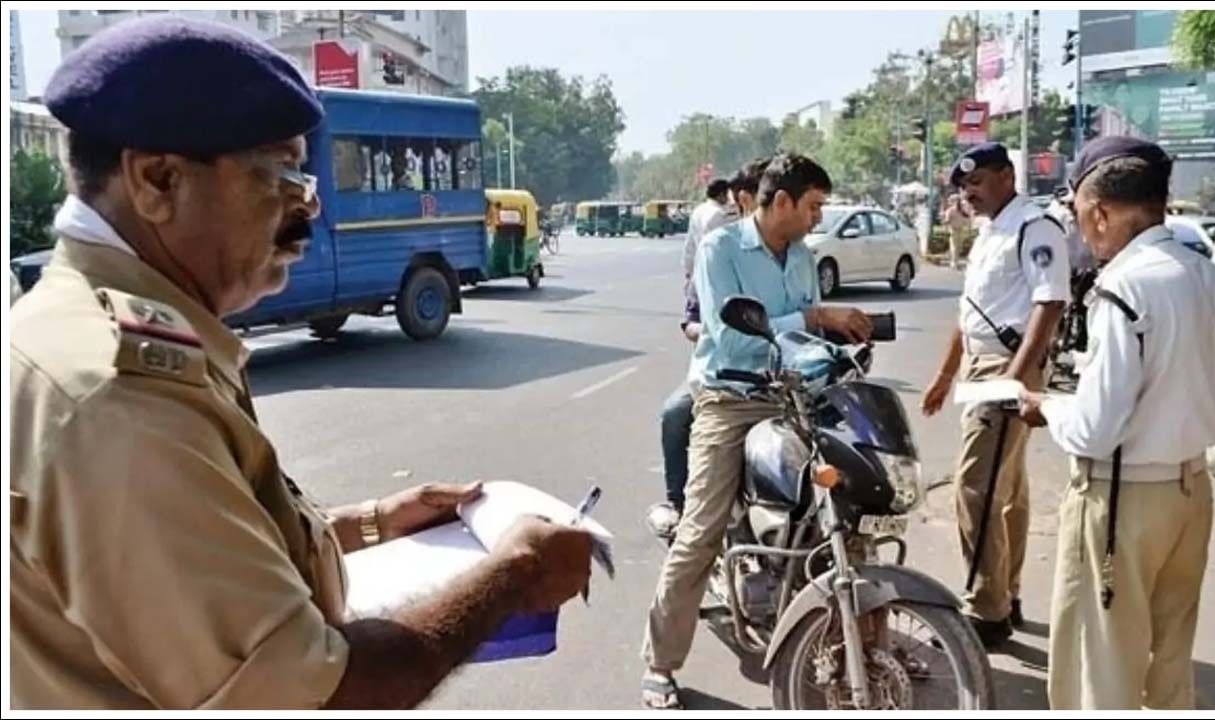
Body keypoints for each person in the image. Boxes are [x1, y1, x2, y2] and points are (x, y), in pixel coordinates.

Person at [8, 17, 593, 710]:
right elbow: (315, 694)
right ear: (158, 180)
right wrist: (516, 576)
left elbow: (226, 548)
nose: (304, 212)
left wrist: (375, 521)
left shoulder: (103, 331)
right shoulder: (115, 398)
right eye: (280, 175)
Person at [1018, 137, 1215, 710]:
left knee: (1101, 667)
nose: (1080, 231)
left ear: (1101, 213)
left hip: (1121, 500)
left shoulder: (1124, 286)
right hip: (1188, 496)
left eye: (1079, 216)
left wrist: (1047, 406)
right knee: (1170, 662)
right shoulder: (1212, 280)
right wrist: (1195, 412)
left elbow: (1096, 430)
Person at [640, 154, 873, 709]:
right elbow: (731, 337)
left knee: (846, 507)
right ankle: (660, 664)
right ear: (782, 201)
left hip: (793, 397)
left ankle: (849, 640)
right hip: (729, 399)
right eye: (814, 206)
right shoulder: (722, 249)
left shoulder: (803, 257)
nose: (819, 217)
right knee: (698, 535)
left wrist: (844, 349)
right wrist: (817, 320)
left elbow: (805, 339)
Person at [920, 142, 1070, 649]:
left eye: (978, 182)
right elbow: (971, 313)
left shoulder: (1035, 226)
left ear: (1007, 176)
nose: (970, 194)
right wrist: (945, 374)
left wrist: (1014, 378)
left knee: (975, 488)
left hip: (1009, 366)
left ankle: (985, 611)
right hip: (983, 364)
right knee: (1007, 490)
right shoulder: (991, 231)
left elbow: (1049, 304)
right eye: (965, 187)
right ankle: (1007, 592)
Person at [647, 158, 771, 542]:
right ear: (749, 200)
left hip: (786, 380)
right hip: (726, 378)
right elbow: (691, 321)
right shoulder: (718, 249)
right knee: (675, 413)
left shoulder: (798, 254)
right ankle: (678, 504)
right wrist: (718, 332)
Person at [680, 178, 738, 281]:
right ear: (721, 195)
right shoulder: (719, 214)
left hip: (698, 266)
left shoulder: (698, 210)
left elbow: (690, 243)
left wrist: (688, 269)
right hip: (715, 268)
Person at [943, 193, 973, 269]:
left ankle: (955, 261)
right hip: (954, 229)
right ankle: (954, 262)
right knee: (955, 246)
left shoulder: (960, 210)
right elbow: (947, 220)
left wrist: (968, 227)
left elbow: (967, 220)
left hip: (959, 229)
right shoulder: (951, 210)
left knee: (958, 247)